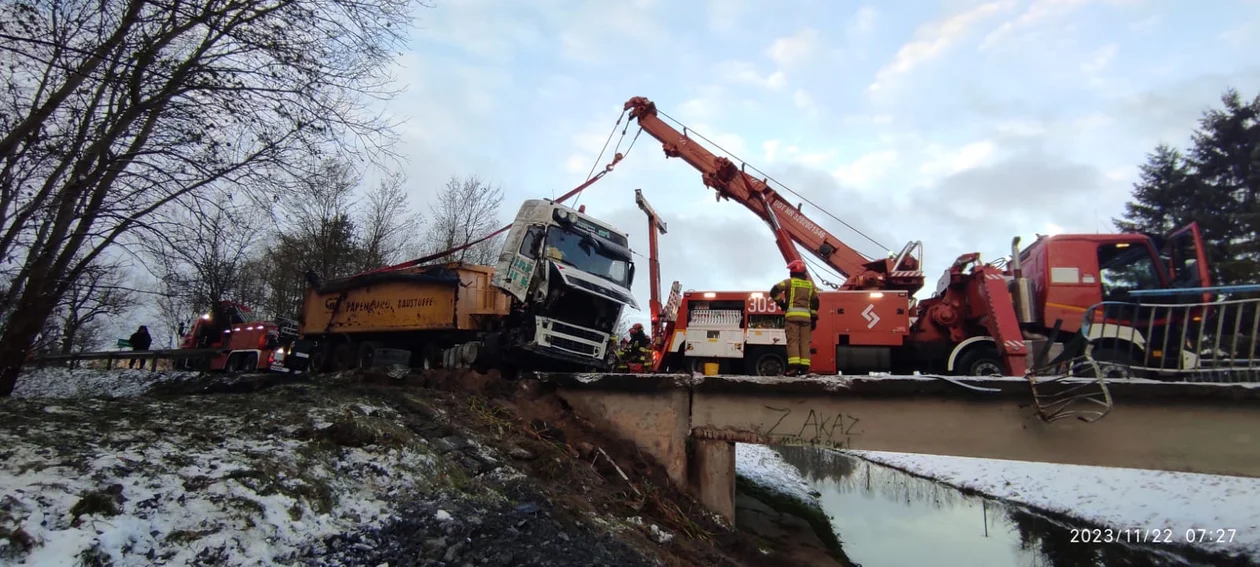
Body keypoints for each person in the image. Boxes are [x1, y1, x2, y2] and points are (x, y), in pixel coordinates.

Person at [770, 260, 819, 376]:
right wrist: (814, 318)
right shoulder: (810, 285)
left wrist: (781, 303)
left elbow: (774, 291)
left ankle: (793, 369)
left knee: (793, 342)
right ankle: (805, 369)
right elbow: (815, 303)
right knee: (805, 343)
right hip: (806, 319)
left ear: (793, 271)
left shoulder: (788, 283)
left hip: (792, 317)